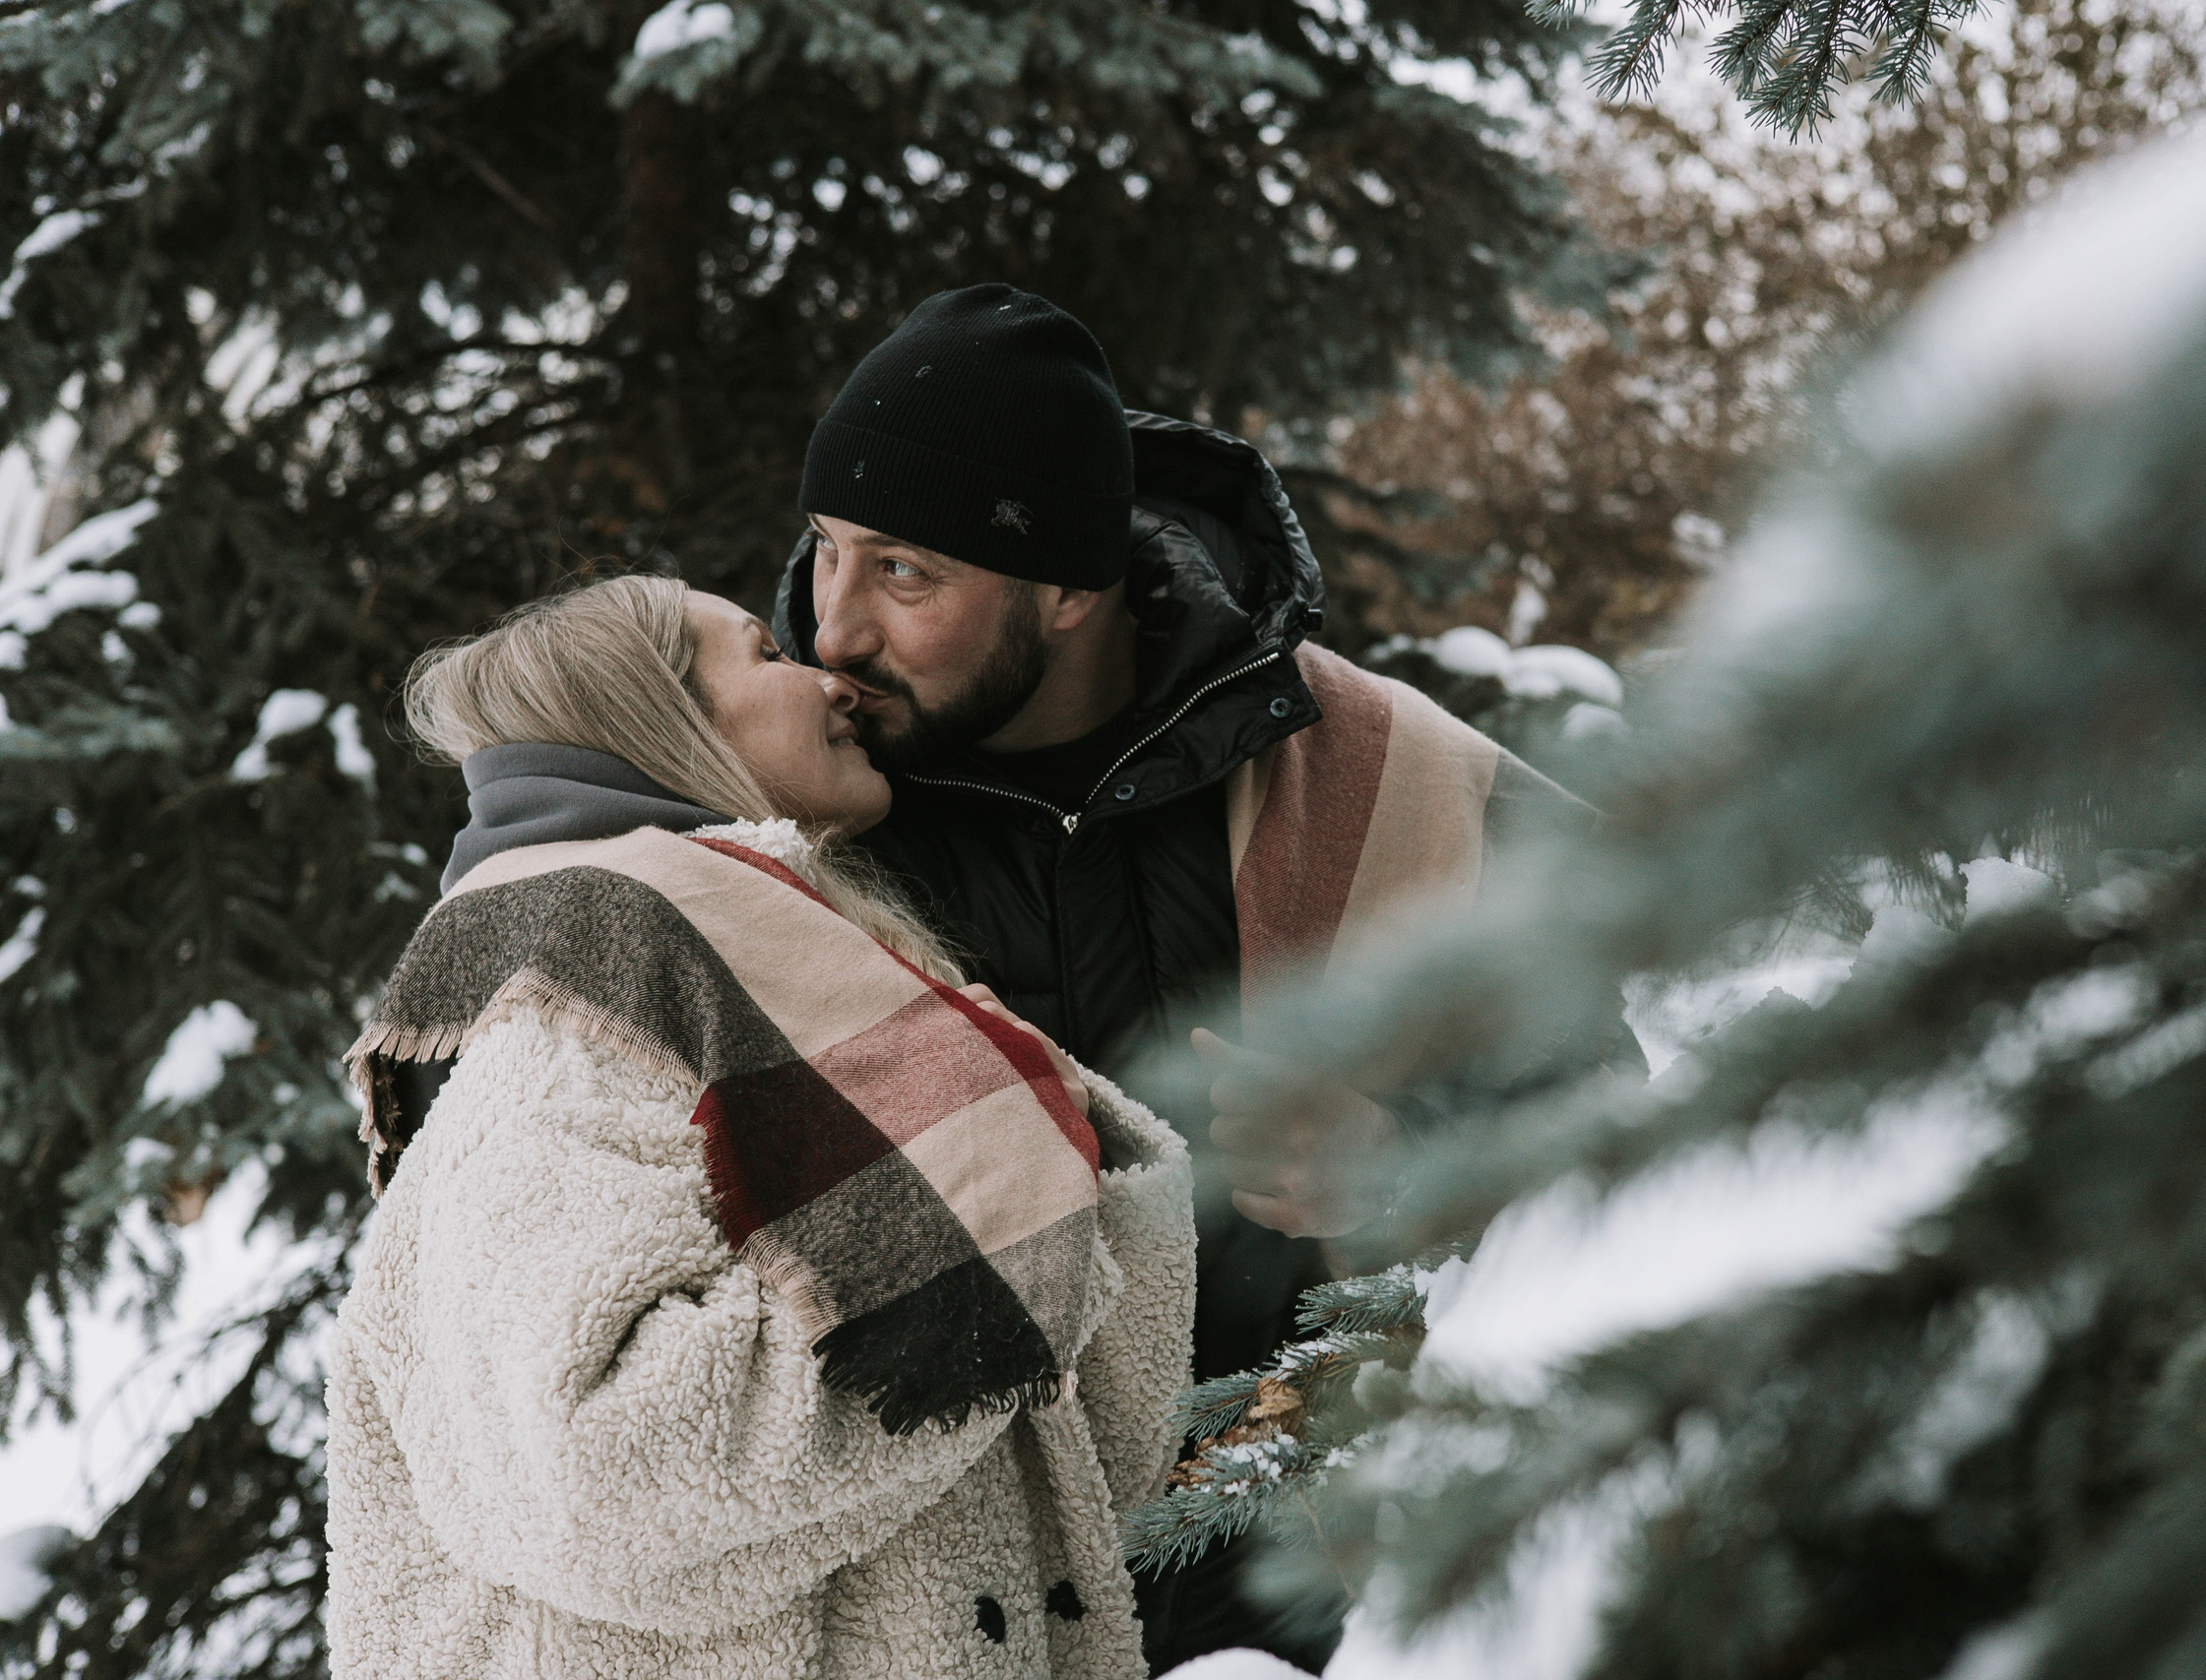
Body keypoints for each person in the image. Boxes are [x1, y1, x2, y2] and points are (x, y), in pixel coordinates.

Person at [770, 285, 1621, 1670]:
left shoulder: (1373, 771)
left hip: (1305, 1593)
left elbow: (1617, 1150)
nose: (836, 628)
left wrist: (1399, 1174)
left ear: (1067, 588)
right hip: (916, 1609)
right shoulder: (783, 812)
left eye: (906, 573)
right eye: (828, 553)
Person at [323, 576, 1196, 1680]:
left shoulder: (761, 977)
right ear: (655, 716)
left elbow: (1063, 1445)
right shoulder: (565, 1015)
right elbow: (596, 1480)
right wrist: (978, 1257)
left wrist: (1053, 1208)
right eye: (765, 654)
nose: (831, 678)